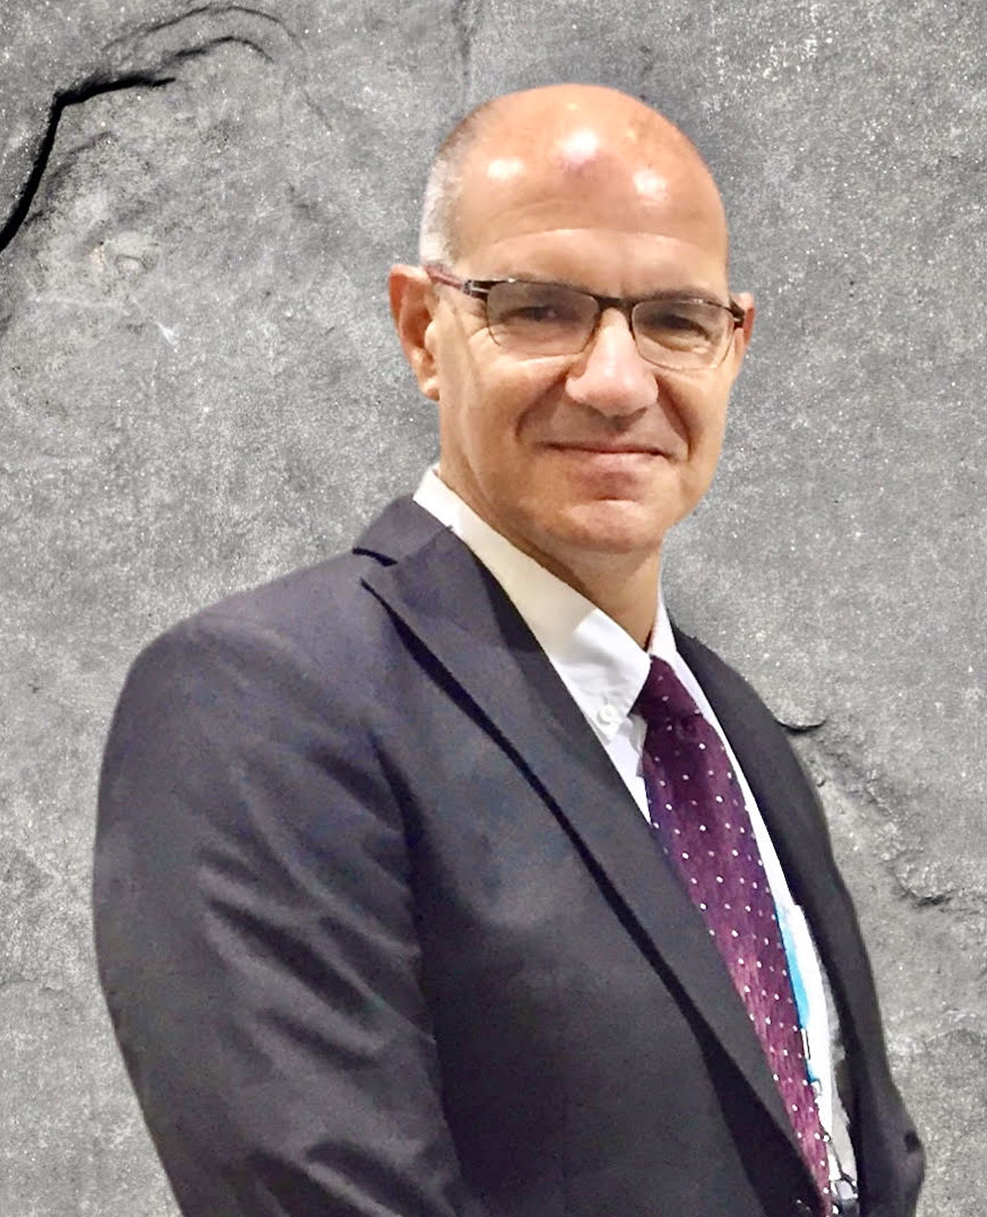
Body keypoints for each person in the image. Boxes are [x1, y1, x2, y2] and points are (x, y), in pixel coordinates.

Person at [93, 83, 924, 1217]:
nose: (617, 381)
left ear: (733, 345)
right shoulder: (258, 705)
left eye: (675, 320)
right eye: (539, 308)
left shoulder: (735, 736)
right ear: (421, 330)